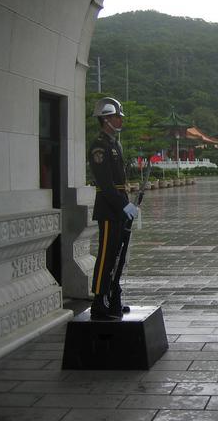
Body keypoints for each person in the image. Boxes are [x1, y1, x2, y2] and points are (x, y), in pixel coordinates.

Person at [88, 97, 139, 320]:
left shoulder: (114, 144)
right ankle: (99, 301)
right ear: (106, 118)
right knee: (106, 255)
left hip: (118, 206)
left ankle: (113, 295)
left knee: (119, 254)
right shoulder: (99, 146)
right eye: (117, 117)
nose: (120, 120)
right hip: (108, 209)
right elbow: (106, 184)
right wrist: (123, 205)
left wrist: (127, 204)